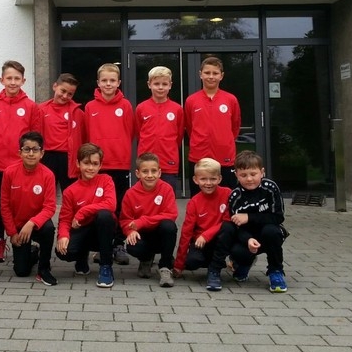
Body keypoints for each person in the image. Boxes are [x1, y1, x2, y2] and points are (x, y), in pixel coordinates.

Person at [0, 60, 42, 263]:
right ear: (1, 80)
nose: (12, 82)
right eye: (9, 78)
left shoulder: (30, 106)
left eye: (17, 78)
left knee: (21, 201)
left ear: (23, 81)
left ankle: (27, 237)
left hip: (21, 164)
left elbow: (35, 135)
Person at [84, 63, 136, 266]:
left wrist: (119, 150)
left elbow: (130, 132)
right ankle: (101, 246)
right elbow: (87, 135)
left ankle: (118, 244)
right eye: (104, 80)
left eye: (112, 80)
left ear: (119, 82)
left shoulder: (126, 106)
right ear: (98, 82)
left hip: (120, 164)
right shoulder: (90, 107)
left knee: (120, 206)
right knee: (99, 207)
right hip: (98, 166)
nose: (108, 84)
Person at [55, 143, 117, 288]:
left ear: (100, 165)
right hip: (82, 230)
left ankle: (106, 267)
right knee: (63, 252)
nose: (90, 168)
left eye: (95, 164)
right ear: (78, 163)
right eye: (86, 163)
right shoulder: (70, 191)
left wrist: (83, 211)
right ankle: (81, 257)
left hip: (102, 231)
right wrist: (63, 236)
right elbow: (65, 219)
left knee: (104, 215)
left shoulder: (106, 180)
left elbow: (111, 204)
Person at [226, 150, 289, 293]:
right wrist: (248, 239)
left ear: (262, 172)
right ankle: (243, 264)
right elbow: (237, 227)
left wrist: (249, 217)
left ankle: (275, 271)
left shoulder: (270, 188)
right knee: (236, 250)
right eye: (243, 175)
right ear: (236, 175)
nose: (249, 179)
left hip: (269, 231)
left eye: (253, 174)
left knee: (271, 232)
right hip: (247, 234)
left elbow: (278, 217)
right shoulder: (235, 196)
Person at [1, 131, 58, 285]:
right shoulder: (9, 173)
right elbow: (5, 205)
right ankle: (33, 252)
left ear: (42, 153)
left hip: (37, 224)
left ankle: (44, 268)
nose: (31, 154)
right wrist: (12, 232)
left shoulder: (48, 175)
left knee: (49, 228)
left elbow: (50, 207)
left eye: (35, 149)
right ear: (20, 153)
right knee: (21, 271)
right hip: (19, 227)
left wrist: (32, 222)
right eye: (27, 149)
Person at [119, 153, 179, 287]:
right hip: (142, 234)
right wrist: (130, 231)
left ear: (159, 172)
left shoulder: (166, 189)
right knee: (132, 244)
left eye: (153, 171)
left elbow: (171, 214)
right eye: (145, 171)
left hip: (160, 234)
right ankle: (146, 259)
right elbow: (125, 220)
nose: (150, 175)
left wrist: (143, 221)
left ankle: (165, 266)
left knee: (169, 226)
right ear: (138, 173)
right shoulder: (130, 193)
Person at [173, 157, 233, 291]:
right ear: (195, 180)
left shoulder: (228, 194)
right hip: (202, 243)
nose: (208, 183)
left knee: (229, 228)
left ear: (220, 179)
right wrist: (179, 264)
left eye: (213, 179)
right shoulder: (194, 202)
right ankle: (215, 261)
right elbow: (186, 232)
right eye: (203, 179)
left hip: (223, 238)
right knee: (192, 262)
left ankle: (219, 268)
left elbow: (228, 221)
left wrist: (206, 235)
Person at [184, 55, 241, 195]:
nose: (211, 76)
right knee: (198, 198)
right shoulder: (191, 100)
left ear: (221, 76)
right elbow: (189, 127)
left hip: (225, 157)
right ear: (200, 74)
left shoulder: (231, 99)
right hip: (199, 156)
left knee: (227, 197)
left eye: (215, 73)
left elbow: (235, 127)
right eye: (207, 73)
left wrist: (223, 140)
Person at [134, 66, 185, 194]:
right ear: (149, 85)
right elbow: (138, 132)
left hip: (168, 162)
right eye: (156, 84)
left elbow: (179, 135)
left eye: (164, 84)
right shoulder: (141, 108)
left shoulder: (177, 109)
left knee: (167, 196)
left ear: (170, 85)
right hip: (146, 163)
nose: (160, 87)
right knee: (145, 197)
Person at [39, 73, 84, 194]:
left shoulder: (78, 113)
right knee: (45, 194)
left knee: (71, 194)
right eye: (63, 91)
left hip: (68, 159)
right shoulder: (41, 110)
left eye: (70, 94)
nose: (65, 96)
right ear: (55, 86)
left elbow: (84, 138)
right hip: (47, 157)